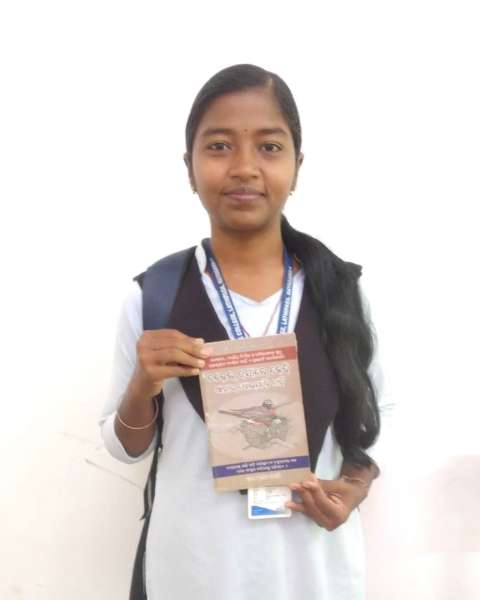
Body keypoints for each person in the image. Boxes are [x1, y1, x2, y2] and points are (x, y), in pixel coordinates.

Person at [99, 63, 387, 600]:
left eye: (269, 147)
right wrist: (141, 387)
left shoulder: (342, 293)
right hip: (192, 573)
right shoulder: (154, 295)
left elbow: (377, 422)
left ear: (297, 167)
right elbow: (124, 448)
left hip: (312, 573)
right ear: (189, 168)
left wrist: (353, 488)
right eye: (219, 147)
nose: (245, 167)